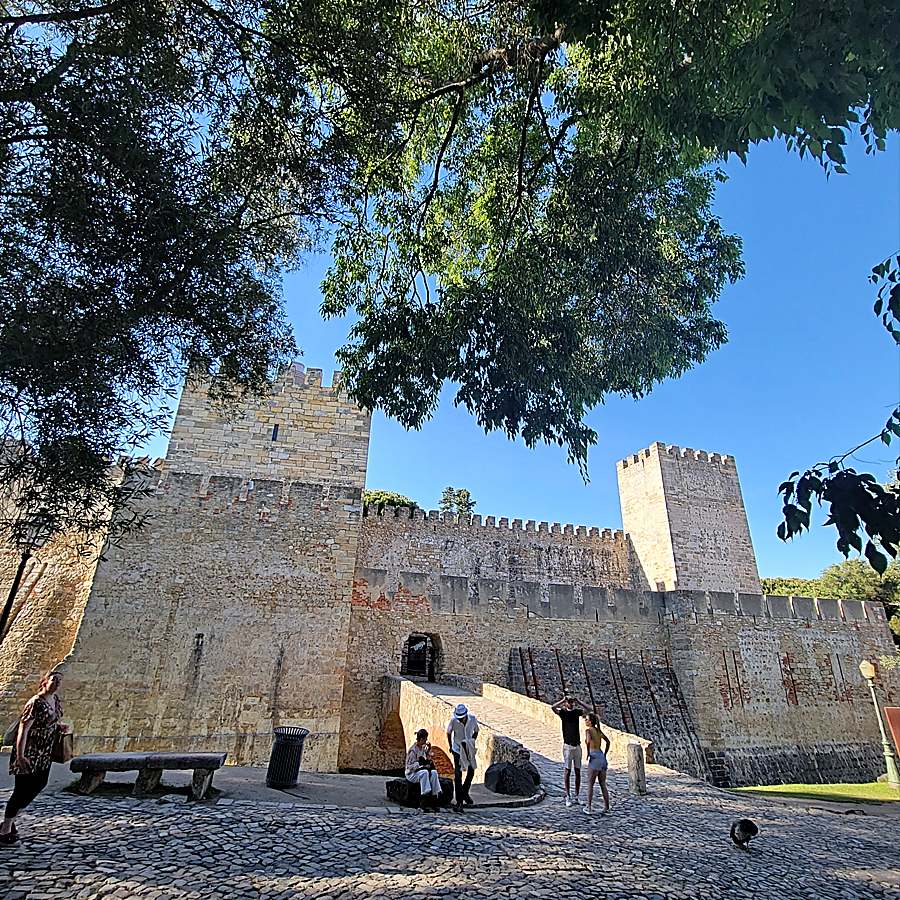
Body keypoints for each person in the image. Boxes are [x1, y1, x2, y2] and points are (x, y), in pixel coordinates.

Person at [1, 671, 69, 845]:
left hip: (45, 753)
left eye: (59, 681)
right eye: (54, 680)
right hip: (29, 752)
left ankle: (9, 821)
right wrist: (21, 755)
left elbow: (49, 722)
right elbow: (23, 730)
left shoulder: (55, 701)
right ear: (45, 682)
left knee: (39, 785)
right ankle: (5, 829)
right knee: (21, 790)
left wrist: (59, 727)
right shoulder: (35, 702)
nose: (57, 684)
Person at [551, 694, 587, 807]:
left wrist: (579, 701)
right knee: (567, 771)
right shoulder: (563, 713)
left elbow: (589, 709)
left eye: (572, 702)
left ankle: (577, 795)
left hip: (577, 745)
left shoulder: (576, 712)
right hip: (567, 746)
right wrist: (562, 700)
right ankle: (568, 795)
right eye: (569, 702)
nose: (571, 703)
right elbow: (553, 707)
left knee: (577, 771)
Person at [446, 703, 479, 812]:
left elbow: (476, 731)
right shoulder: (453, 721)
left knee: (471, 771)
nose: (460, 720)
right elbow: (448, 732)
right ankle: (459, 801)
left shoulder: (472, 719)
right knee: (458, 774)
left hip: (468, 749)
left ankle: (465, 792)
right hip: (457, 749)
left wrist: (472, 742)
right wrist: (451, 746)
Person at [405, 728, 442, 810]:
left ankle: (434, 798)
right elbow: (409, 767)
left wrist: (429, 750)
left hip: (420, 771)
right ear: (421, 739)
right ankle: (423, 801)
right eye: (425, 739)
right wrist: (420, 765)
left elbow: (428, 758)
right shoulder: (413, 751)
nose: (426, 741)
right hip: (412, 774)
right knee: (424, 773)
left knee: (434, 773)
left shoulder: (422, 748)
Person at [583, 712, 611, 815]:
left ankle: (589, 807)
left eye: (586, 719)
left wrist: (587, 752)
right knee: (603, 784)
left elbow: (588, 741)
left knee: (590, 783)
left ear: (590, 721)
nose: (585, 721)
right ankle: (607, 807)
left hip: (594, 756)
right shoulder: (598, 730)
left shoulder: (588, 731)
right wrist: (605, 753)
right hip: (601, 756)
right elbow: (608, 742)